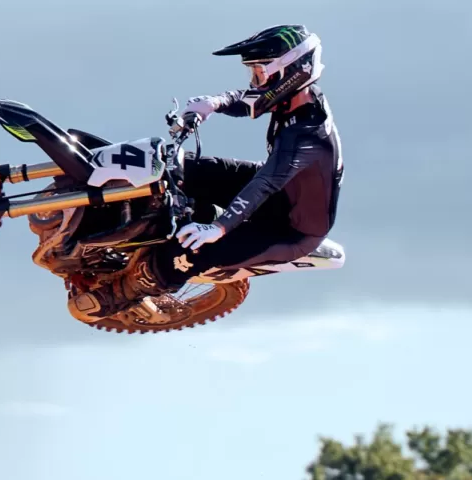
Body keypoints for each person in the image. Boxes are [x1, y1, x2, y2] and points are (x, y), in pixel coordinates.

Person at [115, 25, 342, 302]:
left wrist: (218, 228)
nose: (255, 82)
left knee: (183, 255)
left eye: (260, 73)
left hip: (290, 230)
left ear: (292, 72)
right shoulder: (293, 95)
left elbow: (265, 183)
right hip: (281, 192)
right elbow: (247, 100)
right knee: (180, 167)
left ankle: (126, 294)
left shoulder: (309, 133)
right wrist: (212, 104)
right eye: (253, 73)